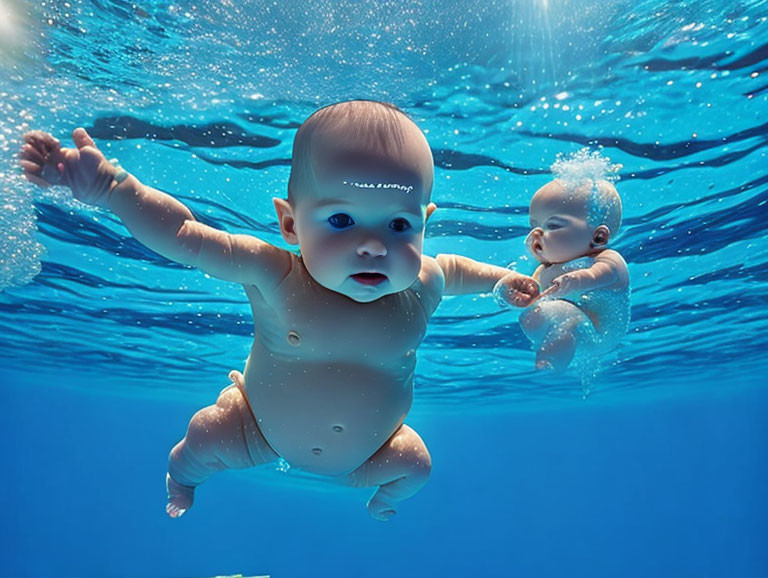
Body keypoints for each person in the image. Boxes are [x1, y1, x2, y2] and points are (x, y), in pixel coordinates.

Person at [19, 100, 538, 521]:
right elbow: (184, 236)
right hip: (256, 432)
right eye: (340, 220)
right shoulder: (276, 274)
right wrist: (112, 189)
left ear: (423, 223)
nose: (373, 246)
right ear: (290, 226)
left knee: (417, 468)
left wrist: (503, 283)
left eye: (399, 226)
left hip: (367, 457)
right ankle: (181, 478)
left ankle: (380, 501)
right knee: (203, 437)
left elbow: (462, 269)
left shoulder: (425, 280)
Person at [494, 149, 630, 373]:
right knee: (531, 316)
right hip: (561, 326)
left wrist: (576, 279)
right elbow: (530, 292)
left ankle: (551, 364)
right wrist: (509, 293)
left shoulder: (607, 259)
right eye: (533, 227)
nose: (536, 235)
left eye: (553, 225)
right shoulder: (543, 270)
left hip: (600, 333)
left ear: (598, 237)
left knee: (567, 319)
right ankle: (553, 354)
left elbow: (600, 276)